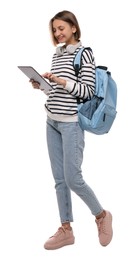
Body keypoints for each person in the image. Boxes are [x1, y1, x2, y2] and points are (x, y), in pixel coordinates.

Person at [30, 10, 113, 250]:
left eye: (61, 28)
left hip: (71, 123)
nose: (57, 33)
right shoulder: (57, 54)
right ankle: (66, 230)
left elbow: (87, 91)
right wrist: (44, 86)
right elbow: (59, 91)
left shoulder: (84, 53)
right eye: (54, 30)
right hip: (51, 120)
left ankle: (101, 215)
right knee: (59, 180)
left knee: (73, 178)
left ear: (74, 27)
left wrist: (60, 81)